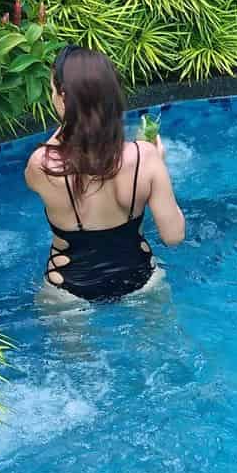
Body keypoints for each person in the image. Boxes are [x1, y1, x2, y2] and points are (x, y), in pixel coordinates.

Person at [25, 45, 185, 302]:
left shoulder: (41, 165)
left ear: (64, 97)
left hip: (67, 289)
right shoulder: (145, 156)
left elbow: (60, 157)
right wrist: (158, 162)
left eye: (53, 90)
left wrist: (70, 119)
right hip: (142, 279)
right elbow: (174, 236)